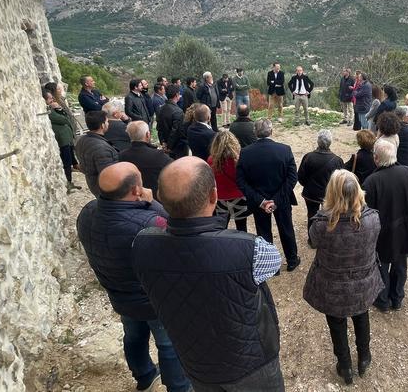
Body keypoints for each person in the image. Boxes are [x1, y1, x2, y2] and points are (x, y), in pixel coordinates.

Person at [131, 158, 285, 391]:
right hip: (250, 365)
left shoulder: (141, 245)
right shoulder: (249, 249)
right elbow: (275, 263)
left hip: (195, 361)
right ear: (214, 196)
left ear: (160, 197)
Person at [76, 163, 191, 392]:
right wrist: (154, 202)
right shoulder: (147, 223)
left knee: (133, 335)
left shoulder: (87, 212)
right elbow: (177, 232)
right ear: (136, 190)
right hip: (154, 300)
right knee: (169, 344)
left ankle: (145, 376)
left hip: (119, 294)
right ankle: (179, 387)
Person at [303, 170, 383, 385]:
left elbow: (312, 242)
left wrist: (324, 211)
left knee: (336, 322)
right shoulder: (372, 218)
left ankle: (345, 365)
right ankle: (364, 357)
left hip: (333, 285)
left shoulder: (322, 224)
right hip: (363, 281)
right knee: (361, 314)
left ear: (332, 193)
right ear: (358, 192)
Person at [363, 140, 408, 312]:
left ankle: (382, 300)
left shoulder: (371, 181)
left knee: (381, 266)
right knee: (400, 264)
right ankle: (397, 298)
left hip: (384, 234)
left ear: (376, 158)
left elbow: (366, 215)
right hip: (406, 229)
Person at [236, 118, 301, 271]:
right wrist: (276, 200)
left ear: (255, 133)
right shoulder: (285, 150)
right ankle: (292, 260)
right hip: (282, 198)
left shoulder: (245, 153)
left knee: (263, 232)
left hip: (259, 201)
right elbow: (292, 178)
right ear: (271, 131)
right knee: (286, 229)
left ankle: (272, 266)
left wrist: (261, 201)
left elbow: (240, 181)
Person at [298, 130, 344, 230]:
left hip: (310, 194)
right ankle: (326, 238)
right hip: (329, 194)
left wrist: (309, 185)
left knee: (311, 215)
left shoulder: (308, 157)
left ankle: (312, 239)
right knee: (328, 216)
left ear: (318, 141)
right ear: (330, 142)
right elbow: (341, 181)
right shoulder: (337, 160)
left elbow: (300, 177)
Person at [207, 131, 249, 232]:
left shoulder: (211, 160)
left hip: (220, 198)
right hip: (239, 197)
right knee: (242, 226)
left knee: (221, 227)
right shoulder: (239, 160)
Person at [120, 120, 173, 196]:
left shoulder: (122, 155)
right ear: (148, 134)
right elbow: (174, 169)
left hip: (133, 196)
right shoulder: (158, 155)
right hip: (155, 196)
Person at [43, 88, 80, 193]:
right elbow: (64, 119)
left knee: (68, 161)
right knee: (66, 163)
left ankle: (70, 183)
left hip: (65, 138)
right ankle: (68, 184)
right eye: (50, 98)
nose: (52, 99)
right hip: (62, 140)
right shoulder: (49, 111)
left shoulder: (51, 109)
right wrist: (59, 109)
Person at [75, 111, 119, 197]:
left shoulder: (81, 140)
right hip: (104, 190)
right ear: (102, 125)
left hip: (92, 183)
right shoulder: (102, 148)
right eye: (107, 121)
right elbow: (107, 174)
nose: (108, 124)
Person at [157, 84, 183, 149]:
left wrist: (163, 142)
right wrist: (169, 146)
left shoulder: (161, 108)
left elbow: (159, 128)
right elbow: (175, 131)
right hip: (176, 147)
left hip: (165, 144)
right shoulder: (178, 111)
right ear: (177, 95)